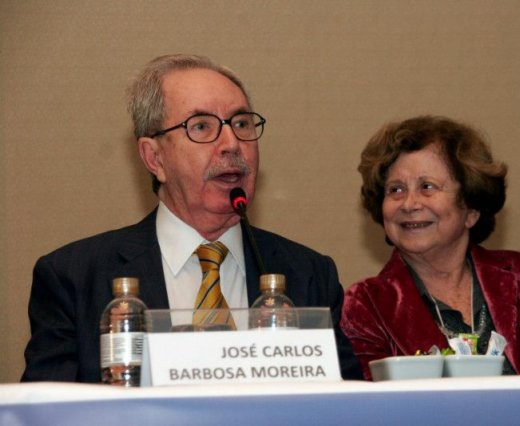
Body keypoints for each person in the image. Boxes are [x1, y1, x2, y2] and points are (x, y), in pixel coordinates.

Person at [22, 54, 362, 382]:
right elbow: (48, 410)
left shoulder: (309, 275)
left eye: (241, 124)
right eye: (201, 126)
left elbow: (349, 405)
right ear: (154, 158)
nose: (232, 144)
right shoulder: (74, 278)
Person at [340, 115, 520, 379]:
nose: (409, 204)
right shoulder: (366, 305)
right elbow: (369, 403)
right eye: (395, 190)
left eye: (427, 186)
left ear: (471, 210)